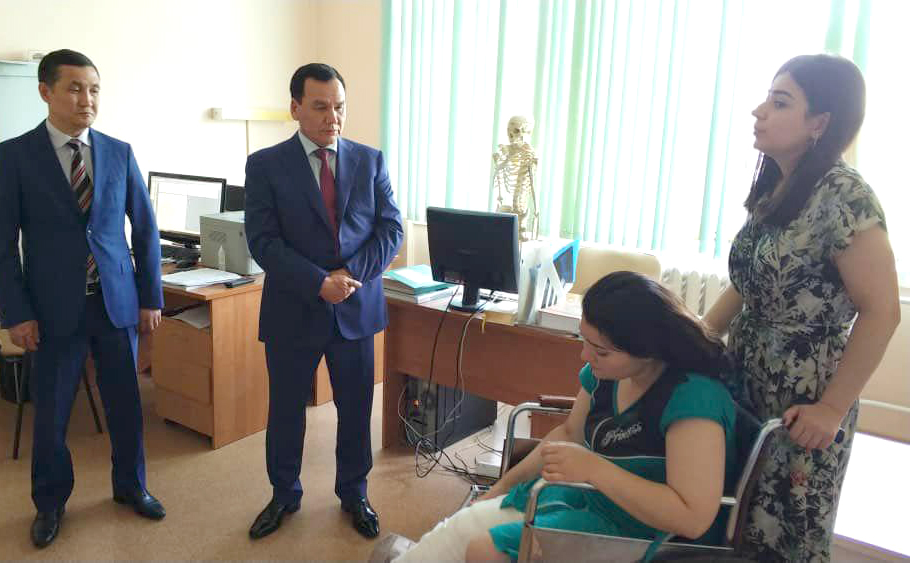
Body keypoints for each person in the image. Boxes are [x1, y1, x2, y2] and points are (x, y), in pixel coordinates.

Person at [381, 271, 737, 562]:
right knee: (465, 528)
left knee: (483, 551)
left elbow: (691, 518)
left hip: (642, 533)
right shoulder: (608, 376)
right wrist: (500, 488)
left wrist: (595, 469)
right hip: (592, 500)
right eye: (585, 341)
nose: (585, 357)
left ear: (649, 350)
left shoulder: (693, 398)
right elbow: (568, 434)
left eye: (601, 351)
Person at [703, 54, 900, 562]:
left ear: (820, 122)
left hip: (804, 396)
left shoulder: (845, 196)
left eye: (780, 102)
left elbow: (882, 311)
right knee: (734, 517)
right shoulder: (779, 184)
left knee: (785, 532)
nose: (759, 111)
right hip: (746, 375)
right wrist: (701, 332)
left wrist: (831, 409)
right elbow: (751, 282)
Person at [0, 49, 166, 548]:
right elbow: (1, 245)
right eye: (74, 88)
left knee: (126, 405)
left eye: (94, 89)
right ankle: (49, 503)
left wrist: (150, 297)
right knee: (52, 414)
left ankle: (131, 486)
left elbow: (145, 229)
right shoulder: (14, 156)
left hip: (115, 304)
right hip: (51, 309)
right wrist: (16, 313)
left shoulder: (118, 152)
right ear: (46, 92)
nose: (87, 99)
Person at [244, 63, 403, 540]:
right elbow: (263, 241)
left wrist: (349, 276)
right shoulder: (265, 165)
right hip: (294, 307)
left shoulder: (370, 160)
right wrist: (318, 282)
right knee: (286, 410)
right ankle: (283, 494)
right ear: (295, 108)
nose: (332, 117)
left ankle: (354, 493)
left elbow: (390, 229)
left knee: (356, 410)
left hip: (355, 305)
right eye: (320, 107)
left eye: (339, 107)